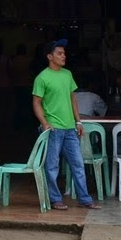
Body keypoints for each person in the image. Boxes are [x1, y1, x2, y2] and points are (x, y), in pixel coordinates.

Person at [31, 39, 100, 211]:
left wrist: (78, 121)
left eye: (64, 53)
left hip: (70, 128)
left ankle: (84, 199)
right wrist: (45, 123)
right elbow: (36, 102)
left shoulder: (67, 74)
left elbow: (72, 99)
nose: (64, 56)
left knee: (78, 164)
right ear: (49, 56)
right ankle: (55, 200)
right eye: (59, 53)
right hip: (53, 129)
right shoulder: (42, 77)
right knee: (52, 166)